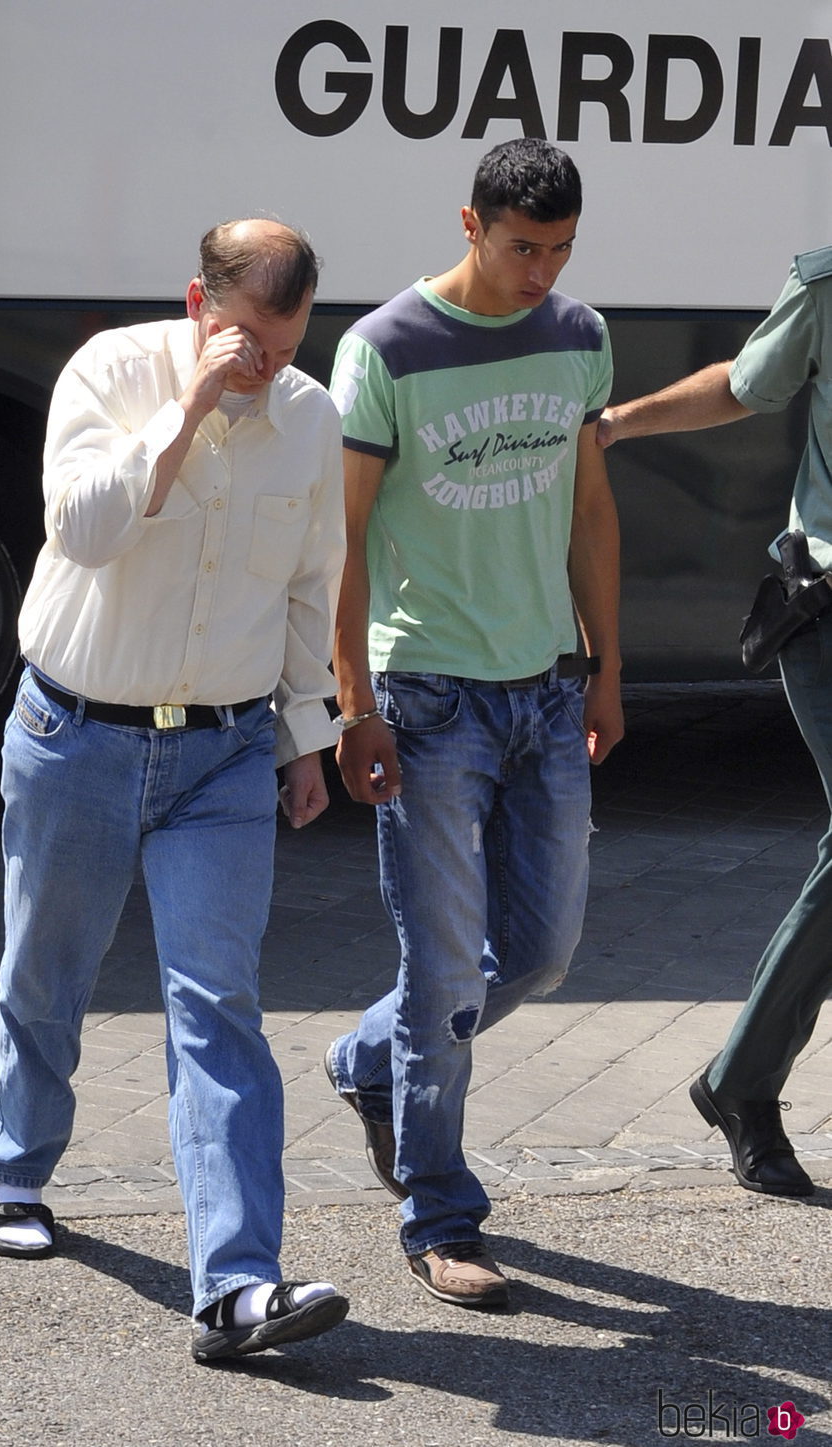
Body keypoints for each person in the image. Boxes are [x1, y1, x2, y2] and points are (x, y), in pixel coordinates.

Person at [0, 218, 350, 1362]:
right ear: (198, 303)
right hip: (78, 730)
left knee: (218, 1005)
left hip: (223, 753)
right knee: (49, 972)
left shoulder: (312, 418)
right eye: (243, 339)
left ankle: (239, 1286)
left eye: (284, 348)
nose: (262, 368)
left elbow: (306, 585)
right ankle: (13, 1174)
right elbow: (80, 532)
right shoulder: (110, 373)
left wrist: (303, 739)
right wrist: (185, 412)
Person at [324, 139, 624, 1309]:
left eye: (558, 249)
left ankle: (365, 1060)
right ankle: (439, 1212)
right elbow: (341, 544)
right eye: (520, 248)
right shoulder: (383, 348)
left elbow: (589, 507)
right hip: (427, 697)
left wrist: (604, 669)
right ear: (468, 223)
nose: (539, 270)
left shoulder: (579, 337)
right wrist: (350, 704)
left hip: (545, 690)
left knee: (540, 951)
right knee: (444, 968)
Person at [599, 245, 832, 1200]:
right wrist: (615, 424)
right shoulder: (827, 285)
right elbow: (743, 387)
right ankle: (744, 1086)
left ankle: (738, 1083)